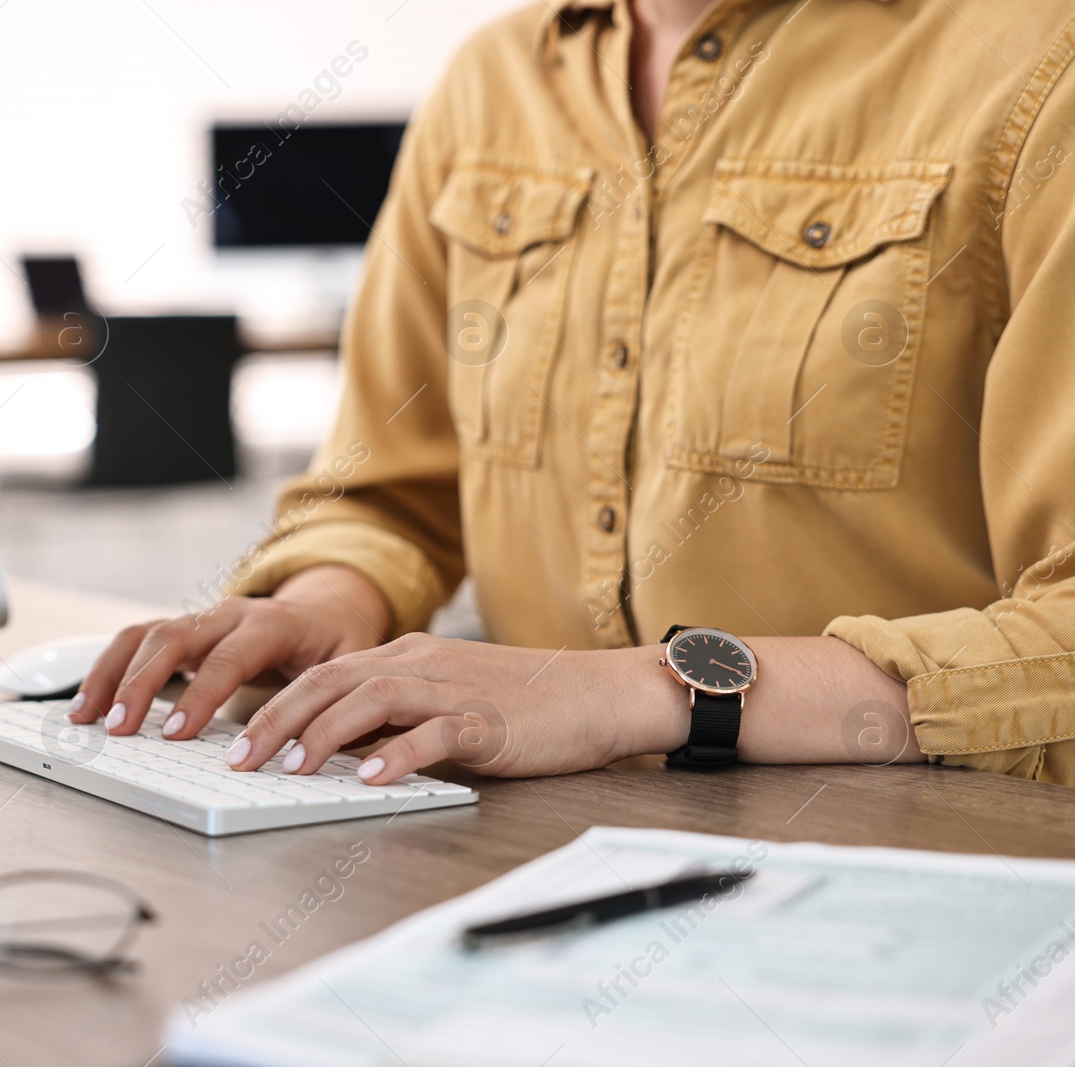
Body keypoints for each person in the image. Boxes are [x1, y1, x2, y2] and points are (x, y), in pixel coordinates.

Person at [72, 0, 1075, 787]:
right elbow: (385, 489)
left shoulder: (1040, 66)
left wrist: (629, 696)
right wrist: (328, 598)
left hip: (914, 865)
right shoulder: (487, 83)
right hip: (534, 846)